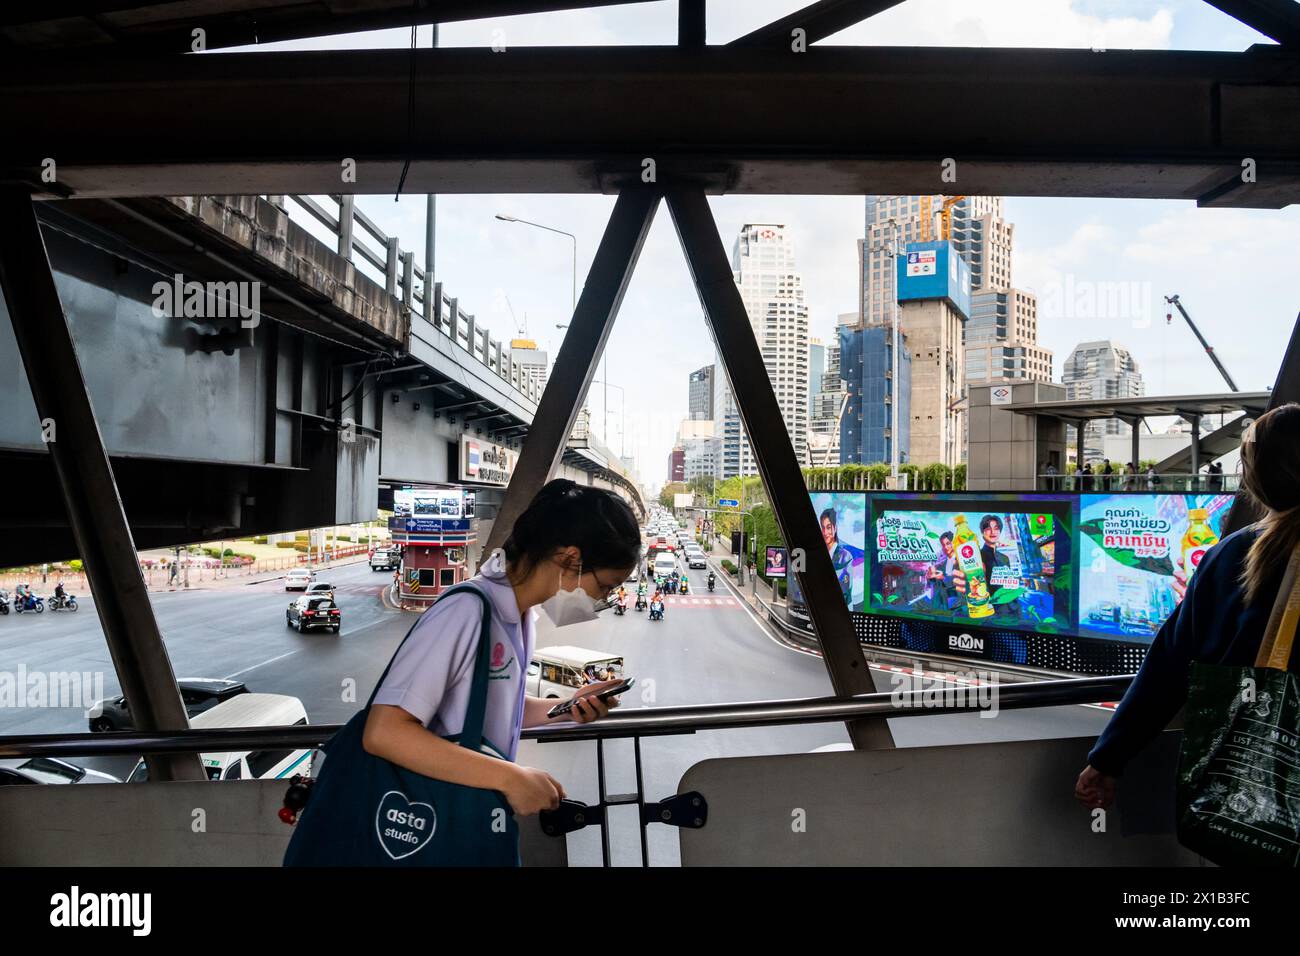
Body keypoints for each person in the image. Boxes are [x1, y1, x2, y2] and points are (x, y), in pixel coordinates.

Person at [296, 479, 640, 864]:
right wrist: (510, 778)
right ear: (569, 559)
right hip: (420, 827)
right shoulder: (465, 611)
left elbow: (493, 706)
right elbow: (385, 732)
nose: (602, 600)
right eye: (606, 586)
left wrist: (565, 705)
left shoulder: (518, 616)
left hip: (453, 818)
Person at [1075, 404, 1300, 811]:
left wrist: (1107, 759)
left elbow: (1168, 668)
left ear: (1258, 476)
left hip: (1250, 786)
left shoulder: (1231, 556)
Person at [820, 507, 864, 606]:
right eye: (823, 527)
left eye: (828, 527)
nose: (825, 532)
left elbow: (846, 590)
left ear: (835, 528)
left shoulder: (845, 556)